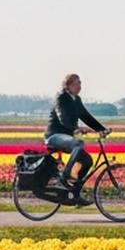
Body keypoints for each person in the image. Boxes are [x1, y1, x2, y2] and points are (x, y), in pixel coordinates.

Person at [44, 73, 108, 202]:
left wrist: (102, 129)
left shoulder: (76, 99)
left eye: (80, 83)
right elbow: (63, 118)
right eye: (77, 83)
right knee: (78, 143)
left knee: (87, 161)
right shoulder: (61, 97)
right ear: (69, 85)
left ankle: (75, 193)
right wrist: (75, 128)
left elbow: (86, 116)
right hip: (55, 136)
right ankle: (65, 175)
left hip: (67, 139)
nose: (80, 86)